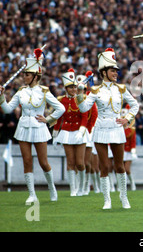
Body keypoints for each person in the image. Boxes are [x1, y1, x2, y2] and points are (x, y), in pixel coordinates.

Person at [0, 48, 65, 203]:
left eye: (27, 74)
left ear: (35, 76)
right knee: (27, 161)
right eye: (24, 74)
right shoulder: (21, 92)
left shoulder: (45, 91)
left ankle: (52, 188)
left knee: (43, 162)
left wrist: (48, 120)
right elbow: (7, 109)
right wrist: (0, 97)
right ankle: (32, 194)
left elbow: (61, 108)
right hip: (24, 127)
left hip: (39, 127)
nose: (24, 77)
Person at [77, 47, 139, 210]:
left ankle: (124, 197)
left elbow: (135, 105)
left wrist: (127, 118)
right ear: (104, 72)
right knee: (104, 166)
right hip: (101, 130)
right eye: (112, 70)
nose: (116, 73)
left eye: (116, 70)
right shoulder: (95, 90)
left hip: (117, 129)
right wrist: (78, 94)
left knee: (119, 166)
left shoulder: (122, 88)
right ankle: (107, 200)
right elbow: (83, 108)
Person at [52, 68, 88, 197]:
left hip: (80, 131)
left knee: (80, 163)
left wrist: (82, 130)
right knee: (70, 162)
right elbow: (59, 117)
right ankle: (73, 188)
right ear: (66, 88)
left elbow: (85, 116)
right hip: (66, 132)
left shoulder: (81, 98)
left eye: (74, 87)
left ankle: (83, 186)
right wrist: (55, 134)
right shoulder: (61, 100)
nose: (73, 89)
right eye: (70, 87)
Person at [76, 71, 99, 195]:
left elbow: (94, 115)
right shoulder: (75, 99)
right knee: (77, 162)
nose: (83, 91)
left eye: (84, 89)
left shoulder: (90, 98)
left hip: (89, 131)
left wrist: (89, 129)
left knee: (87, 163)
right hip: (77, 131)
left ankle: (87, 186)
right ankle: (78, 186)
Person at [122, 107, 137, 191]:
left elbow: (133, 141)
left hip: (128, 152)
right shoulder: (118, 129)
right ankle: (121, 186)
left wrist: (133, 151)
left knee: (127, 170)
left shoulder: (131, 130)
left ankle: (132, 183)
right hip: (120, 151)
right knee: (120, 170)